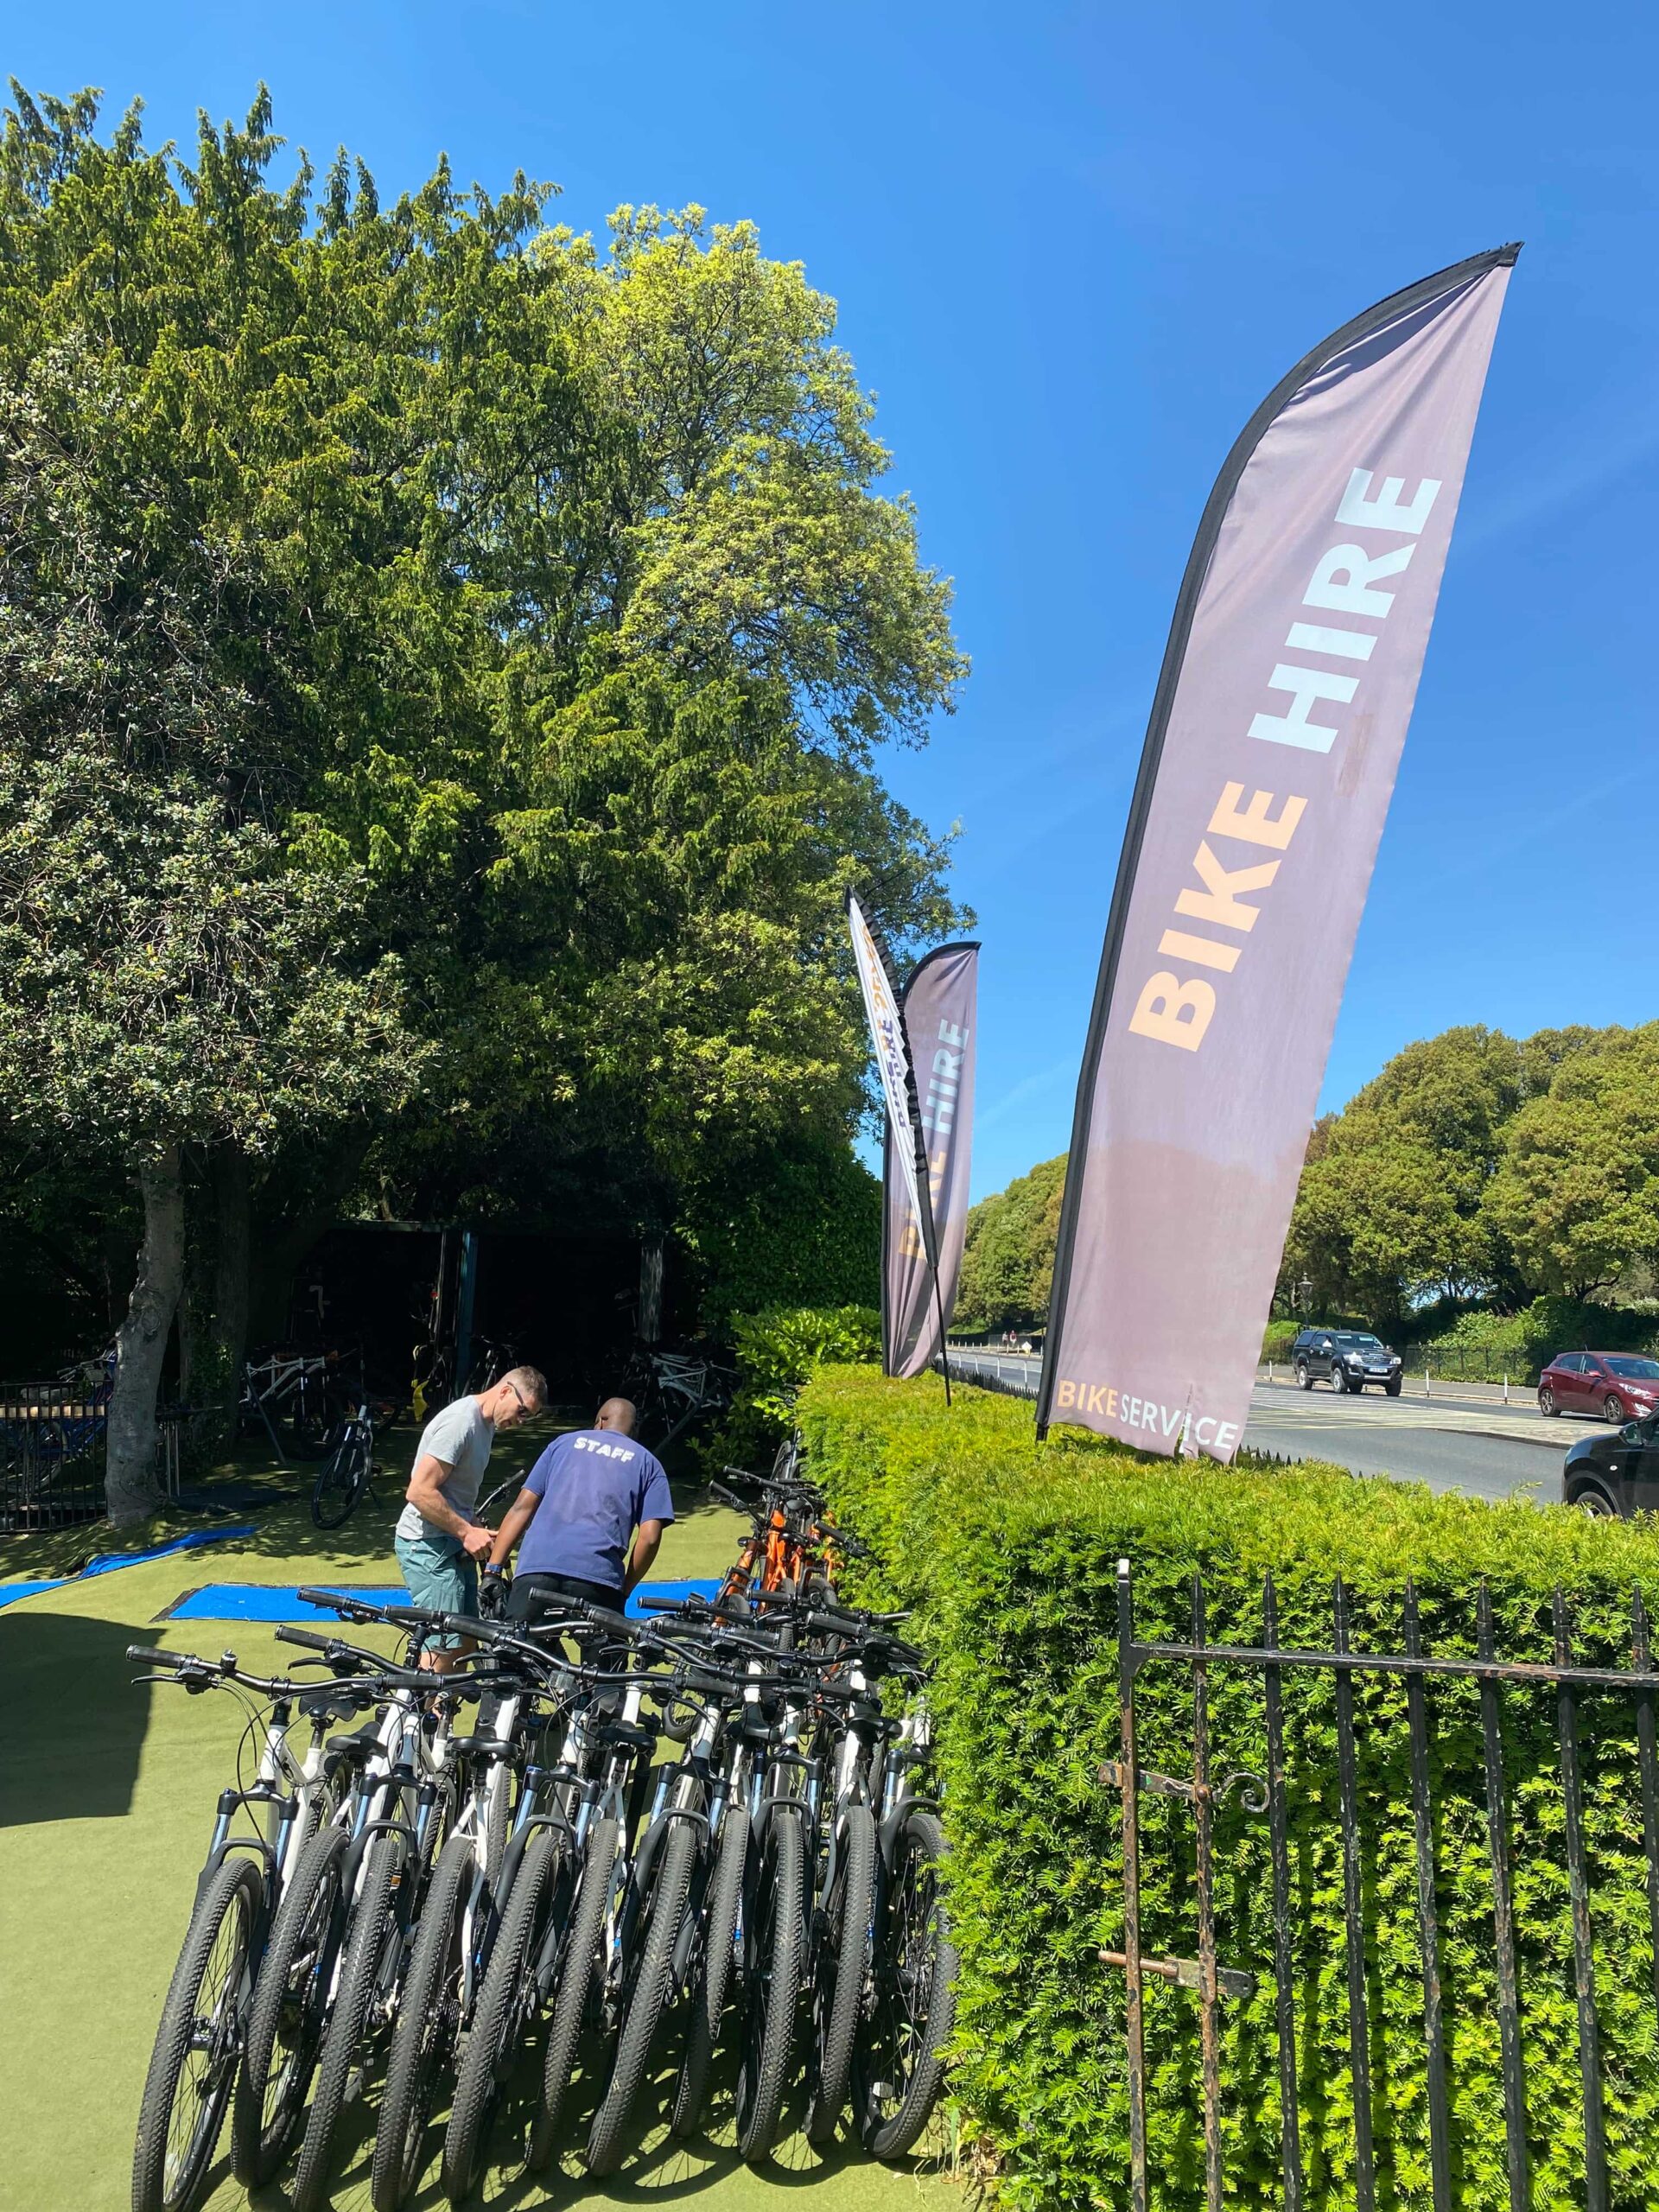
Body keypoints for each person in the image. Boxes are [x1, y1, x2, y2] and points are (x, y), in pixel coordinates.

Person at [395, 1366, 547, 1669]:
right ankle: (415, 1715)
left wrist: (474, 1526)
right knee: (442, 1648)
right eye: (522, 1411)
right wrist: (466, 1531)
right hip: (426, 1546)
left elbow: (452, 1493)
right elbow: (419, 1491)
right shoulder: (461, 1422)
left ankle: (439, 1715)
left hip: (448, 1543)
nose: (520, 1421)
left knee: (465, 1645)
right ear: (505, 1390)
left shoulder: (485, 1425)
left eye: (527, 1417)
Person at [481, 1396, 673, 1622]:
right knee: (606, 1656)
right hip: (599, 1580)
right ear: (634, 1429)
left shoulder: (562, 1444)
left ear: (600, 1421)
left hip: (537, 1570)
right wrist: (624, 1589)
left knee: (520, 1652)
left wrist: (492, 1571)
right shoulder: (649, 1464)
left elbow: (521, 1508)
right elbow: (649, 1538)